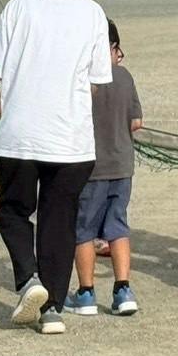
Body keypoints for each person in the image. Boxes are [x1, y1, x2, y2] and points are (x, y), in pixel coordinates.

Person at [0, 0, 112, 336]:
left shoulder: (16, 7)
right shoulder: (92, 12)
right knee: (59, 221)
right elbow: (96, 83)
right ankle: (52, 311)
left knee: (13, 210)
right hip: (72, 140)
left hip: (21, 134)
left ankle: (29, 279)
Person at [65, 20, 143, 317]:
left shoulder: (80, 79)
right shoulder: (124, 76)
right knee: (118, 227)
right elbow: (136, 122)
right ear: (113, 48)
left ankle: (86, 293)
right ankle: (123, 290)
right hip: (122, 165)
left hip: (90, 167)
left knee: (83, 230)